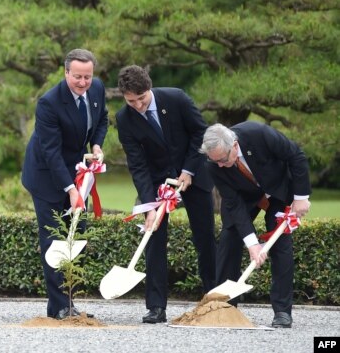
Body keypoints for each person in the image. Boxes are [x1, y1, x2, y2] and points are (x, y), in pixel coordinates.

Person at [115, 65, 216, 324]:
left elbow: (200, 132)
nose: (137, 105)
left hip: (192, 176)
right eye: (130, 100)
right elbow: (137, 164)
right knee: (153, 239)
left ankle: (214, 300)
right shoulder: (124, 118)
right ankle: (156, 307)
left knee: (204, 238)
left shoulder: (176, 98)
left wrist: (189, 170)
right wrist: (149, 204)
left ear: (149, 88)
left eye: (141, 98)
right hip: (157, 183)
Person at [21, 48, 107, 320]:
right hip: (47, 175)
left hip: (78, 171)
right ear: (66, 72)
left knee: (76, 234)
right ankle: (60, 306)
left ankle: (68, 302)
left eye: (87, 77)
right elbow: (51, 152)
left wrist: (96, 144)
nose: (83, 83)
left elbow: (102, 119)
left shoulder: (96, 89)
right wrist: (70, 190)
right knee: (55, 238)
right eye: (77, 77)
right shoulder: (49, 102)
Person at [200, 122, 311, 329]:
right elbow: (232, 203)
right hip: (243, 197)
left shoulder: (258, 134)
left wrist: (301, 197)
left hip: (277, 189)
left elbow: (296, 155)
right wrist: (252, 243)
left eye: (224, 159)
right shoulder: (213, 163)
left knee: (280, 244)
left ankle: (282, 312)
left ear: (234, 145)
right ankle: (225, 306)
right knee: (230, 237)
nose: (221, 165)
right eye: (215, 161)